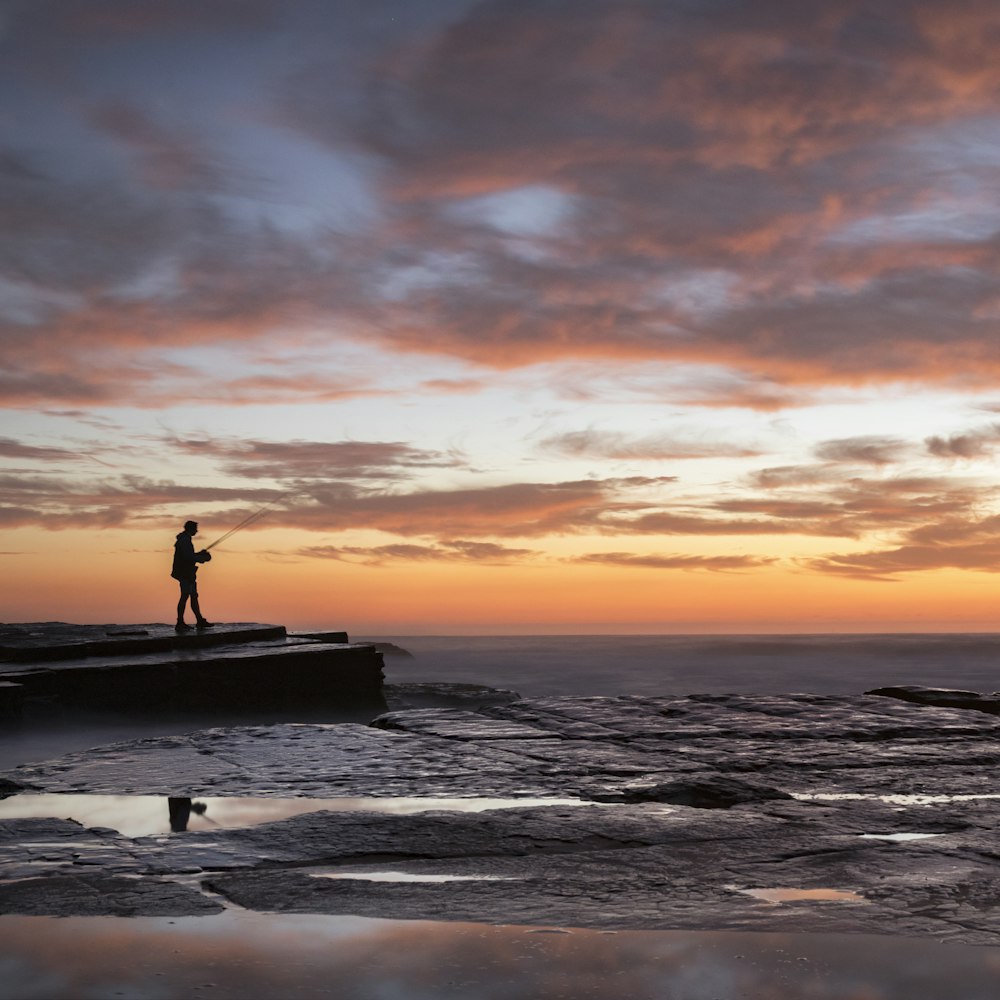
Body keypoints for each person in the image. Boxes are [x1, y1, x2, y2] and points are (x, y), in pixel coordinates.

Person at [172, 520, 214, 631]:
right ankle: (180, 622)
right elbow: (188, 557)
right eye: (196, 529)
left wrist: (199, 554)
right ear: (192, 529)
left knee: (193, 596)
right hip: (185, 573)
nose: (197, 531)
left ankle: (199, 620)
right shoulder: (185, 540)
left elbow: (189, 555)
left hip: (188, 573)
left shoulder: (184, 539)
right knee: (185, 596)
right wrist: (202, 558)